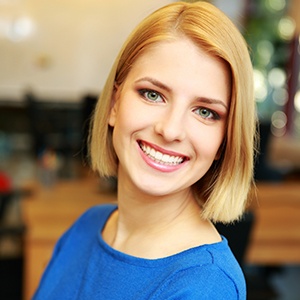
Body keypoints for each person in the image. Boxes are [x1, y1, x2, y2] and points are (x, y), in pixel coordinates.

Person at [33, 1, 256, 299]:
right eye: (153, 94)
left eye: (205, 112)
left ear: (224, 141)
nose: (171, 130)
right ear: (114, 104)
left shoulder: (206, 286)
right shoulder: (87, 226)